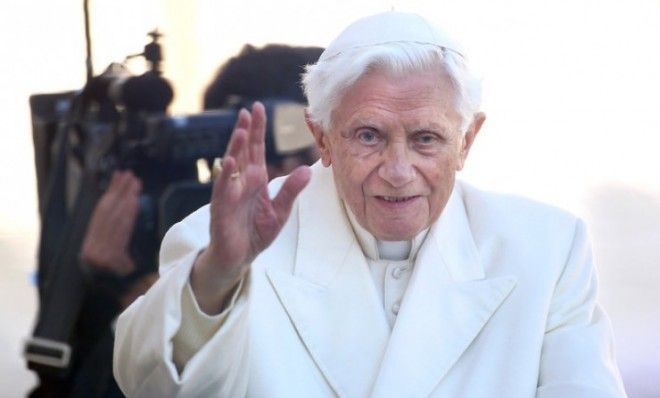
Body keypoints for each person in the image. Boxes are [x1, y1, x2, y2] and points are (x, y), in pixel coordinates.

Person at [113, 11, 627, 397]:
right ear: (323, 139)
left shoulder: (547, 248)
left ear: (467, 140)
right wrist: (219, 275)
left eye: (426, 138)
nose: (398, 171)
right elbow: (148, 386)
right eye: (369, 136)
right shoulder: (219, 241)